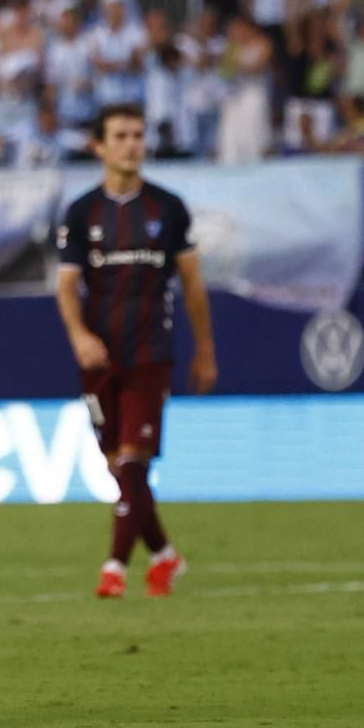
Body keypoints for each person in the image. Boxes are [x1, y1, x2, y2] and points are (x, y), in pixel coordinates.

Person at [54, 105, 218, 602]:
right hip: (99, 359)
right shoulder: (81, 213)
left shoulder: (167, 208)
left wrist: (205, 349)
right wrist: (79, 336)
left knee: (132, 464)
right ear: (99, 146)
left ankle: (115, 569)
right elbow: (66, 286)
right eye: (121, 136)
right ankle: (165, 555)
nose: (132, 145)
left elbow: (192, 284)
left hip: (151, 353)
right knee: (120, 469)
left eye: (138, 136)